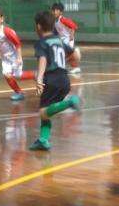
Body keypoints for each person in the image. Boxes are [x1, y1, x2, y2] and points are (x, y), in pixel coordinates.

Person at [29, 11, 82, 151]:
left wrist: (39, 78)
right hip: (64, 80)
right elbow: (75, 55)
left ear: (39, 26)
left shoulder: (42, 43)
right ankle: (43, 140)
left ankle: (69, 102)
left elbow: (42, 59)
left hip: (51, 80)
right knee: (45, 110)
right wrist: (69, 62)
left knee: (43, 112)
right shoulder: (59, 40)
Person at [0, 8, 35, 102]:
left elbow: (18, 44)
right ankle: (19, 92)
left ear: (2, 19)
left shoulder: (7, 31)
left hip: (14, 56)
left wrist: (19, 57)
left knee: (18, 75)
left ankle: (36, 75)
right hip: (5, 59)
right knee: (7, 75)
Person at [51, 2, 82, 75]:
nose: (54, 12)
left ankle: (75, 60)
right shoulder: (55, 21)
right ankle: (73, 67)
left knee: (67, 54)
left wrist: (71, 35)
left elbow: (74, 26)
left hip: (68, 39)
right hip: (62, 40)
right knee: (62, 54)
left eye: (56, 10)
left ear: (61, 12)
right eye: (53, 10)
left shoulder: (63, 20)